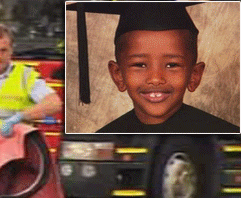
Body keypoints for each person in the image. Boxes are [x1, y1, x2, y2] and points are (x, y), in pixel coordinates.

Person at [96, 3, 239, 133]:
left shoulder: (225, 134)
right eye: (140, 65)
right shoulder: (103, 138)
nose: (156, 79)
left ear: (194, 75)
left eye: (172, 65)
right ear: (118, 75)